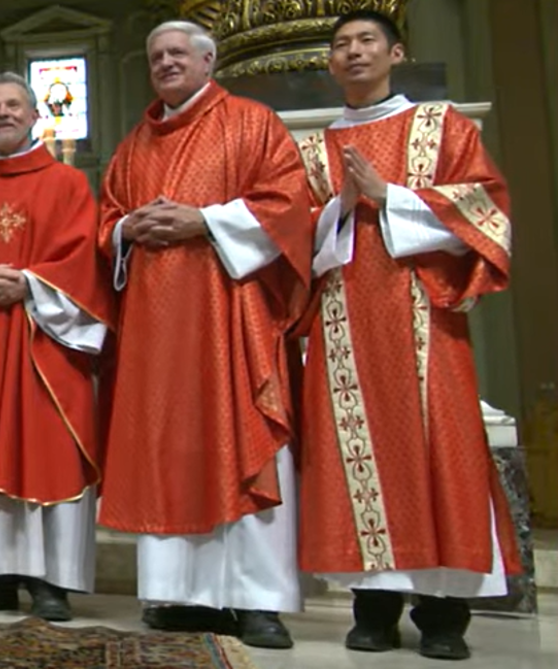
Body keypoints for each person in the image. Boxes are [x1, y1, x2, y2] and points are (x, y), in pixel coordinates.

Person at [296, 10, 520, 661]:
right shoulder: (313, 149)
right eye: (340, 45)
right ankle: (372, 607)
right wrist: (338, 206)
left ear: (396, 53)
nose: (352, 52)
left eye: (365, 41)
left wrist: (389, 197)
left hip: (424, 317)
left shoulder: (440, 126)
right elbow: (290, 235)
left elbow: (487, 209)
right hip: (343, 324)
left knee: (437, 449)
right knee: (355, 454)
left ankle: (445, 613)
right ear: (331, 64)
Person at [96, 21, 313, 648]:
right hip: (155, 331)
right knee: (166, 448)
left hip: (229, 317)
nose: (165, 63)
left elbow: (287, 205)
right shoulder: (134, 145)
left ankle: (257, 600)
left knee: (239, 433)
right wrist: (126, 230)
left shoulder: (251, 122)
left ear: (208, 60)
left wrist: (204, 221)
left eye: (177, 54)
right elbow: (107, 218)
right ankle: (178, 596)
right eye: (155, 55)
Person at [0, 72, 110, 622]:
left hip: (45, 343)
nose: (4, 114)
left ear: (36, 116)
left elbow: (86, 259)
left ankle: (49, 579)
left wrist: (28, 283)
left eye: (14, 105)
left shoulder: (67, 184)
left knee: (47, 448)